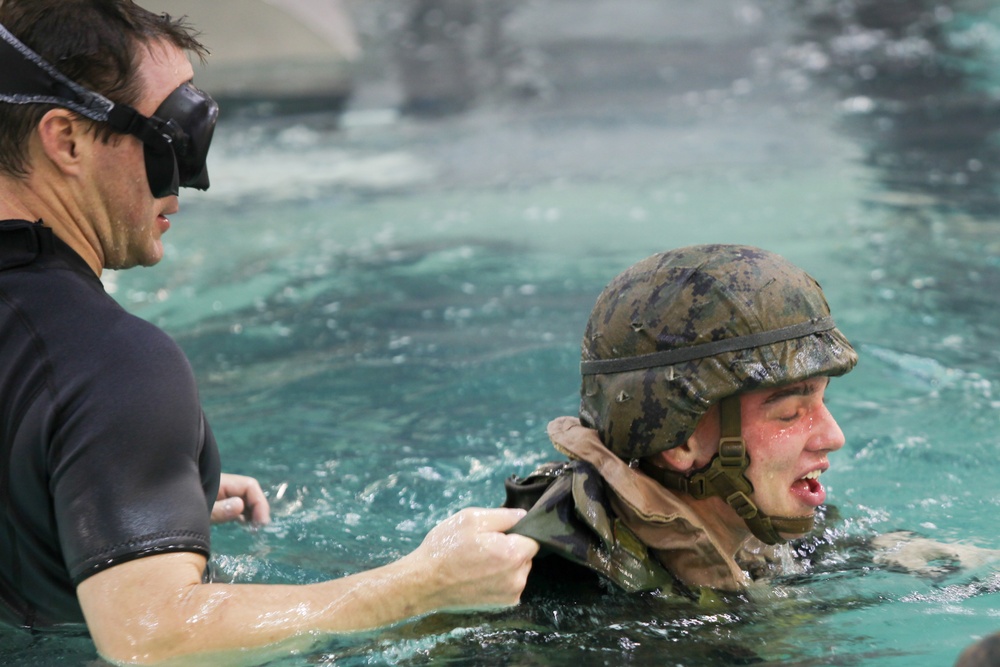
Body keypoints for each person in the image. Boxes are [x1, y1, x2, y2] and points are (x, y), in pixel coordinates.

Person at [0, 1, 537, 664]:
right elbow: (155, 637)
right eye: (172, 141)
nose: (192, 181)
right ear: (67, 140)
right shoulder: (115, 366)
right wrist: (416, 586)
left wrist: (127, 480)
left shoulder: (77, 376)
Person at [504, 244, 858, 595]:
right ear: (680, 440)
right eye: (789, 413)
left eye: (822, 400)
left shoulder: (755, 522)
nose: (833, 436)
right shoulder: (565, 595)